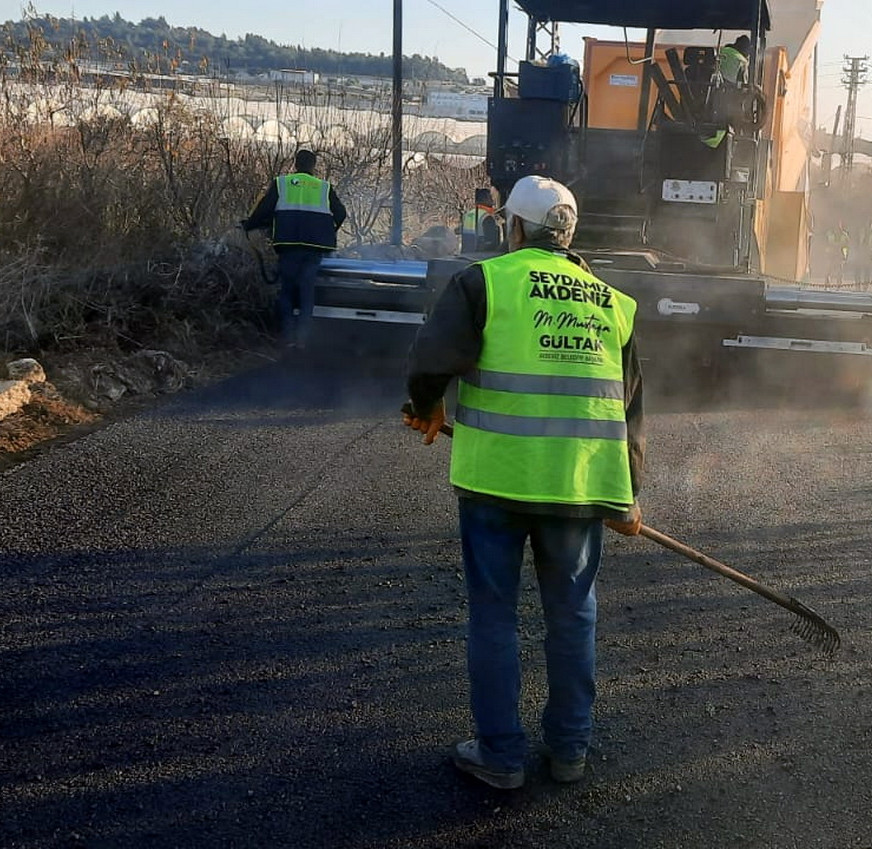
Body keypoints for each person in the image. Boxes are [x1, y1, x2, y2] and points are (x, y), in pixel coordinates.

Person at [403, 174, 644, 790]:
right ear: (569, 233)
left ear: (511, 227)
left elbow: (433, 359)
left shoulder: (484, 282)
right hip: (581, 487)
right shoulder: (611, 303)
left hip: (498, 483)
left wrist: (426, 405)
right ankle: (569, 751)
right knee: (572, 616)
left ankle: (501, 755)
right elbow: (630, 408)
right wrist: (628, 494)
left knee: (494, 616)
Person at [241, 149, 348, 348]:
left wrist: (249, 225)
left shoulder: (282, 184)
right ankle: (303, 340)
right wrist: (328, 230)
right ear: (314, 166)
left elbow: (264, 210)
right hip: (314, 250)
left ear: (295, 164)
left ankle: (288, 337)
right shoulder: (324, 187)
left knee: (287, 291)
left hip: (288, 247)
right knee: (307, 293)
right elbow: (341, 213)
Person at [703, 35, 753, 148]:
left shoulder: (721, 51)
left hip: (706, 93)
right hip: (724, 100)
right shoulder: (742, 61)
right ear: (746, 50)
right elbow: (743, 87)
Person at [459, 187, 503, 254]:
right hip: (482, 257)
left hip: (466, 255)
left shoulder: (468, 214)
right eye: (491, 197)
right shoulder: (487, 217)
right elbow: (491, 242)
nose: (493, 200)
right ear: (487, 199)